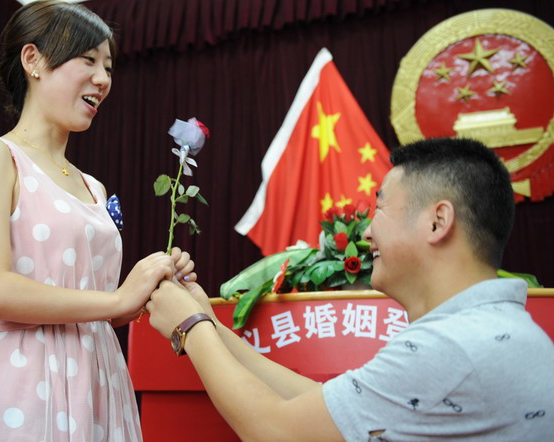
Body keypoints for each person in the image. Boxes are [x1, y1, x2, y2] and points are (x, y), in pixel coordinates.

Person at [146, 137, 554, 441]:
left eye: (380, 207)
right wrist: (211, 323)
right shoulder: (497, 330)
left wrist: (190, 327)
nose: (369, 230)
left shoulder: (450, 347)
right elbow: (324, 403)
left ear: (437, 221)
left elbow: (275, 430)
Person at [0, 1, 195, 440]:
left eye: (108, 66)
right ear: (34, 61)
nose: (103, 79)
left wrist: (150, 285)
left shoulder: (93, 187)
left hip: (98, 376)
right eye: (88, 60)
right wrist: (118, 301)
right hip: (24, 378)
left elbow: (96, 302)